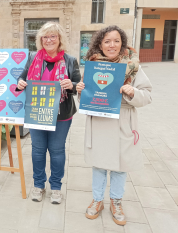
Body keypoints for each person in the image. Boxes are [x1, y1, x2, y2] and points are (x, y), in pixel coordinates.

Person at [76, 25, 152, 225]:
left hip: (122, 122)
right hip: (100, 121)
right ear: (100, 44)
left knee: (120, 166)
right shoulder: (92, 65)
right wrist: (80, 90)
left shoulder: (133, 66)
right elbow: (86, 98)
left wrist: (133, 92)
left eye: (116, 41)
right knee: (99, 165)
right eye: (107, 41)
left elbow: (147, 95)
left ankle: (116, 201)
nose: (112, 45)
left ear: (122, 43)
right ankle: (97, 200)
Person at [17, 22, 81, 204]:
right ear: (40, 40)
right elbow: (21, 77)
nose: (49, 40)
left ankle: (56, 187)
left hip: (61, 114)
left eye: (53, 36)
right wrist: (20, 82)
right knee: (38, 150)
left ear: (59, 39)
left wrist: (72, 86)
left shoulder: (69, 60)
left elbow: (79, 85)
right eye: (45, 37)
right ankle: (38, 185)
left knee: (57, 150)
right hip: (37, 112)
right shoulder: (33, 58)